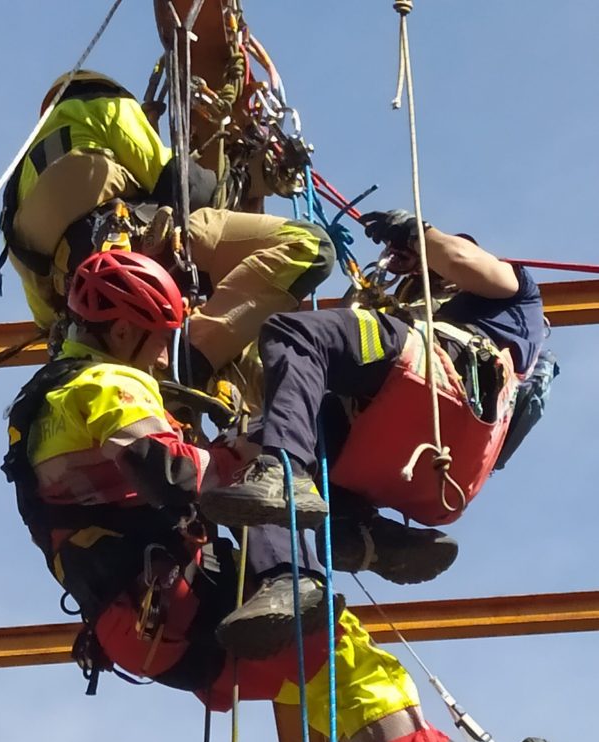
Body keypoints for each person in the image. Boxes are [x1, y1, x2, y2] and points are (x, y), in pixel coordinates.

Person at [2, 247, 565, 742]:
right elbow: (171, 473)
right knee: (347, 662)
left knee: (344, 662)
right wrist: (277, 474)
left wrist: (250, 450)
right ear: (123, 332)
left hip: (154, 619)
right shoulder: (105, 387)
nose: (160, 358)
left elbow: (155, 480)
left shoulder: (51, 403)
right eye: (156, 342)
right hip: (176, 606)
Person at [200, 209, 554, 586]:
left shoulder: (519, 295)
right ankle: (308, 567)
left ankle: (286, 473)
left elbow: (459, 258)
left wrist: (416, 233)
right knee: (249, 449)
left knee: (297, 335)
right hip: (435, 464)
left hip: (438, 380)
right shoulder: (440, 321)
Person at [0, 69, 335, 401]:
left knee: (227, 357)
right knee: (308, 245)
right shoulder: (97, 106)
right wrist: (244, 182)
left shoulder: (15, 199)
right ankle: (199, 357)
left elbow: (45, 312)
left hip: (100, 317)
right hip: (151, 255)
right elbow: (182, 185)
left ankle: (207, 367)